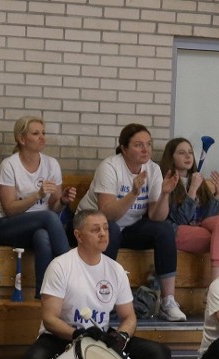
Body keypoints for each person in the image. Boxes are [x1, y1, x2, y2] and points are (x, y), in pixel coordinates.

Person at [19, 209, 183, 359]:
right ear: (78, 235)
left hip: (101, 339)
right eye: (95, 229)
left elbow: (129, 316)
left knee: (159, 354)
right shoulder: (61, 266)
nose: (103, 234)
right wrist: (76, 335)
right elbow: (50, 318)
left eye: (105, 228)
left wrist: (122, 336)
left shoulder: (115, 269)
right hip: (63, 337)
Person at [76, 123, 187, 321]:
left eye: (148, 144)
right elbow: (108, 215)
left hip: (129, 227)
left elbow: (156, 216)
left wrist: (164, 194)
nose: (145, 149)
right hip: (94, 225)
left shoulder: (152, 169)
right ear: (124, 148)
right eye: (138, 145)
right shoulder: (110, 167)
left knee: (165, 229)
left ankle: (168, 300)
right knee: (111, 229)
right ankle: (101, 297)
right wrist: (134, 193)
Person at [0, 116, 75, 299]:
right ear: (22, 139)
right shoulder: (9, 165)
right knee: (47, 218)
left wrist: (62, 200)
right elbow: (9, 209)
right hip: (8, 224)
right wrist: (37, 196)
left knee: (43, 236)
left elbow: (54, 208)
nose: (42, 137)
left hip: (41, 225)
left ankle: (43, 296)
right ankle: (73, 271)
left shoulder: (51, 164)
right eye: (36, 133)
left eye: (43, 133)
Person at [159, 137, 219, 284]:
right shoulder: (166, 181)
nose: (188, 156)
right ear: (171, 157)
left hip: (199, 229)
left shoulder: (195, 178)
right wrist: (192, 190)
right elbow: (181, 220)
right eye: (181, 153)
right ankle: (217, 287)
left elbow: (207, 218)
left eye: (190, 152)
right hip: (175, 232)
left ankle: (216, 286)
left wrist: (218, 195)